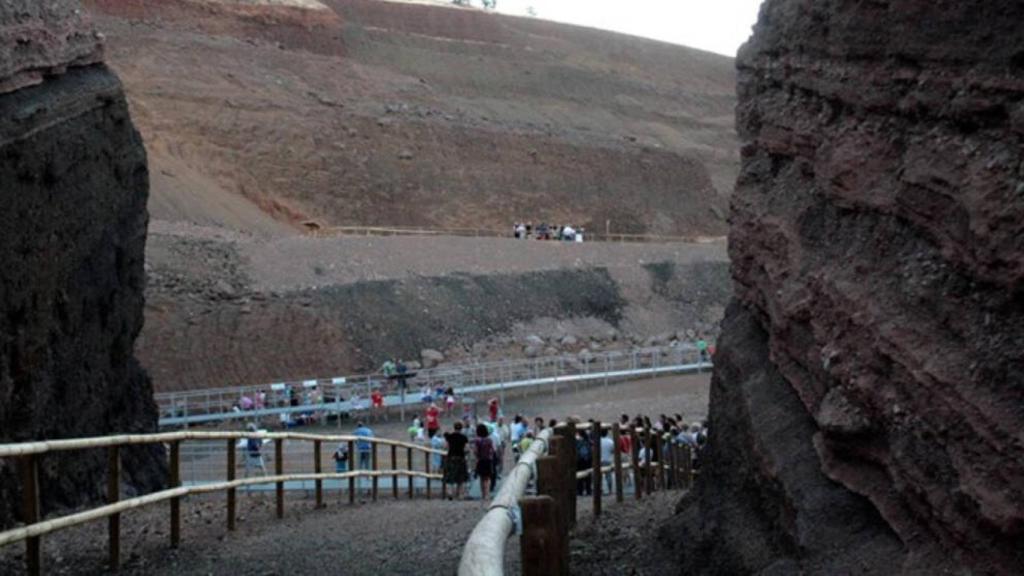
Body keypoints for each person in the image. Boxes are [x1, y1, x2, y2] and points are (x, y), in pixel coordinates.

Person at [443, 422, 470, 500]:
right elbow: (467, 449)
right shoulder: (464, 437)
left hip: (451, 457)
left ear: (454, 428)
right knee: (460, 478)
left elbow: (445, 447)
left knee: (449, 477)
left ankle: (450, 493)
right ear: (461, 428)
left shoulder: (450, 437)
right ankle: (459, 495)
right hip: (460, 458)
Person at [473, 423, 497, 500]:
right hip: (488, 460)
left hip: (480, 460)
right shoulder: (489, 440)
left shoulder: (477, 440)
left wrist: (476, 456)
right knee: (488, 477)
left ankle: (483, 494)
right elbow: (493, 450)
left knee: (482, 477)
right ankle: (487, 493)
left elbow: (475, 451)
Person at [575, 429, 592, 496]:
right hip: (587, 460)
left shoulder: (577, 441)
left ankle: (580, 491)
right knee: (588, 476)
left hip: (579, 460)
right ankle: (588, 490)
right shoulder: (588, 440)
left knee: (579, 477)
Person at [600, 427, 615, 494]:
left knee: (598, 476)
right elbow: (613, 451)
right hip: (608, 459)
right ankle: (610, 490)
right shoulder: (610, 441)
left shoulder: (597, 440)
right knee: (608, 476)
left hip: (599, 460)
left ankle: (600, 489)